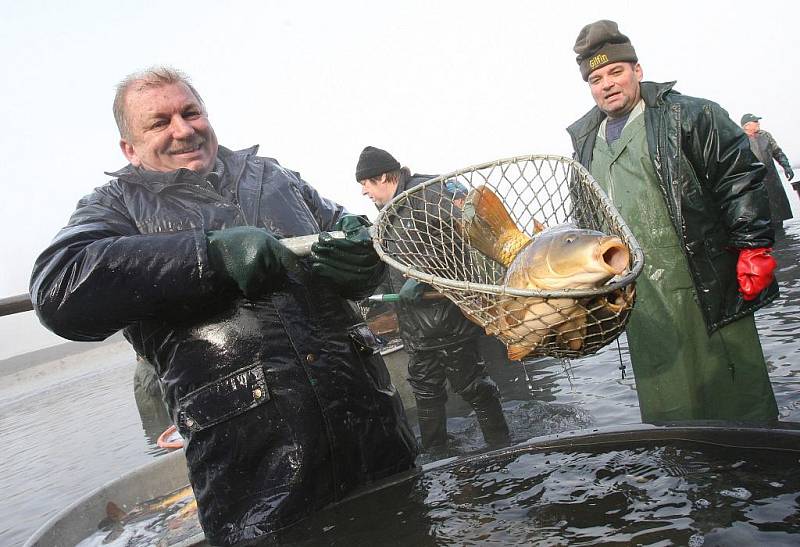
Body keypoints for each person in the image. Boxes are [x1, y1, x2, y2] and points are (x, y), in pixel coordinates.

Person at [29, 67, 417, 546]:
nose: (183, 129)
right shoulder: (115, 206)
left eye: (191, 112)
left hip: (378, 443)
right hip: (259, 485)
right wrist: (206, 254)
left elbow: (348, 227)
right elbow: (58, 289)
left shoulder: (272, 176)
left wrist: (362, 256)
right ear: (129, 149)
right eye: (159, 122)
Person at [566, 21, 779, 424]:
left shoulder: (690, 114)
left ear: (637, 71)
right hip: (638, 295)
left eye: (616, 71)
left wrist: (753, 245)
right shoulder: (585, 141)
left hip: (705, 277)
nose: (607, 84)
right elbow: (587, 215)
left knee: (738, 399)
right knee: (671, 411)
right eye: (596, 78)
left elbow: (739, 175)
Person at [356, 146, 510, 451]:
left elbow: (459, 236)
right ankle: (436, 452)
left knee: (473, 385)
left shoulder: (427, 192)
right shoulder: (389, 210)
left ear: (384, 176)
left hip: (447, 316)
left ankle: (501, 445)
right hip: (415, 324)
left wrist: (420, 277)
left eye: (366, 185)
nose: (364, 192)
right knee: (425, 389)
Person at [741, 113, 796, 229]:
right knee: (761, 218)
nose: (758, 123)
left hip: (772, 179)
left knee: (778, 216)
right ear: (746, 125)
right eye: (756, 122)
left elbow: (777, 152)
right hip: (754, 182)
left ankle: (782, 240)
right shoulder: (739, 139)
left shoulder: (765, 135)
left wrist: (786, 166)